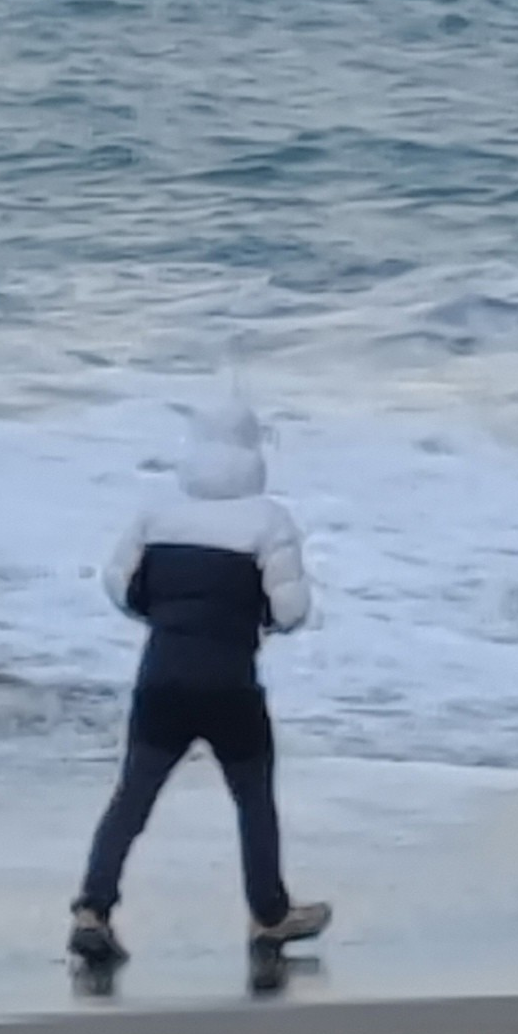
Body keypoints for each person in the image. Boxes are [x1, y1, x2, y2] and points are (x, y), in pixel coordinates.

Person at [68, 403, 332, 968]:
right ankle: (269, 914)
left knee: (132, 798)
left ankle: (92, 910)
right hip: (230, 683)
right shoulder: (269, 520)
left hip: (160, 677)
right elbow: (291, 611)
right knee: (252, 799)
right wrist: (249, 614)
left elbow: (120, 588)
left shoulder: (156, 514)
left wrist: (169, 615)